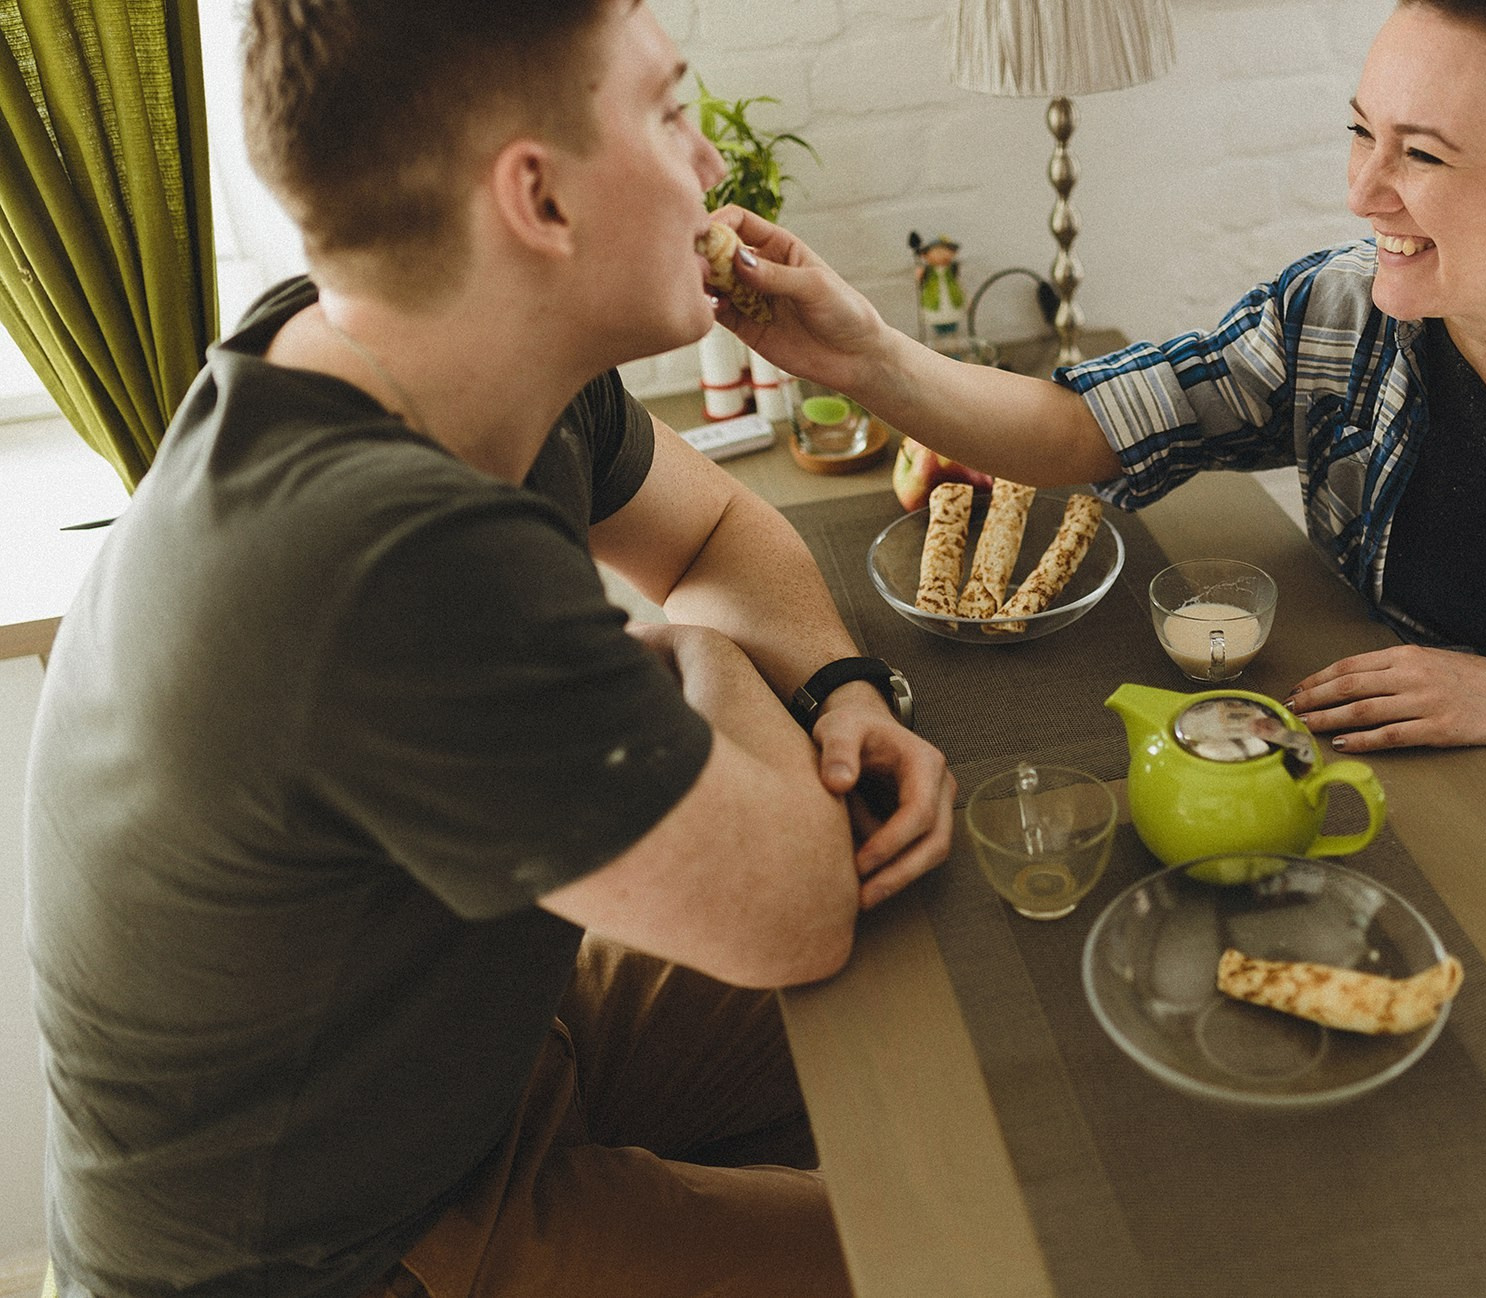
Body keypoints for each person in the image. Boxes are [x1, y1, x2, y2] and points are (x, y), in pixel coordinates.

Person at [713, 0, 1486, 1129]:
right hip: (1473, 814)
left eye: (1420, 153)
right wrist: (865, 352)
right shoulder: (1344, 315)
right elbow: (1088, 428)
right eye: (1360, 130)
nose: (1363, 188)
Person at [25, 3, 954, 1297]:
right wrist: (702, 658)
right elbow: (787, 915)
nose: (708, 170)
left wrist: (840, 684)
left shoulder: (425, 335)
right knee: (968, 1248)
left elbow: (713, 536)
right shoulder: (386, 569)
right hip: (328, 1250)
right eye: (669, 113)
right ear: (539, 199)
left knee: (951, 954)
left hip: (478, 1053)